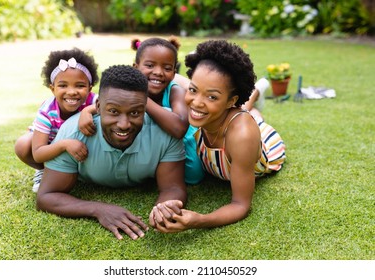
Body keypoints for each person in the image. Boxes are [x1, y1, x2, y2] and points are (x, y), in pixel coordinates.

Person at [36, 65, 187, 240]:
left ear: (146, 107)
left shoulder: (164, 131)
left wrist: (164, 207)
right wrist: (98, 209)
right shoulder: (72, 134)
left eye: (135, 112)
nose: (124, 124)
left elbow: (173, 187)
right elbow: (46, 196)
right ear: (98, 107)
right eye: (114, 111)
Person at [150, 40, 286, 232]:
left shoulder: (243, 136)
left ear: (231, 100)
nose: (196, 102)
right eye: (193, 89)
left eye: (212, 96)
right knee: (213, 108)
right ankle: (250, 100)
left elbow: (240, 205)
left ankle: (254, 95)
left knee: (252, 120)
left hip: (264, 145)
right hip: (223, 118)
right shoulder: (194, 104)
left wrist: (200, 220)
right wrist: (90, 110)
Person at [14, 48, 99, 192]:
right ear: (52, 89)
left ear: (90, 88)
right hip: (52, 146)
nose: (71, 91)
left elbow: (111, 104)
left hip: (83, 146)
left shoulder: (93, 100)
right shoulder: (47, 112)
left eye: (80, 85)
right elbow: (38, 153)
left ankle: (83, 170)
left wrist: (88, 110)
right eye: (63, 85)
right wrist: (64, 144)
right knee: (22, 145)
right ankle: (46, 171)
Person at [131, 37, 204, 185]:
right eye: (150, 65)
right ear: (135, 67)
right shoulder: (127, 90)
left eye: (167, 68)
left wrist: (142, 99)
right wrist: (87, 113)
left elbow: (178, 129)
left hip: (184, 146)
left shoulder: (175, 91)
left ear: (174, 72)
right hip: (150, 146)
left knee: (193, 176)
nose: (158, 72)